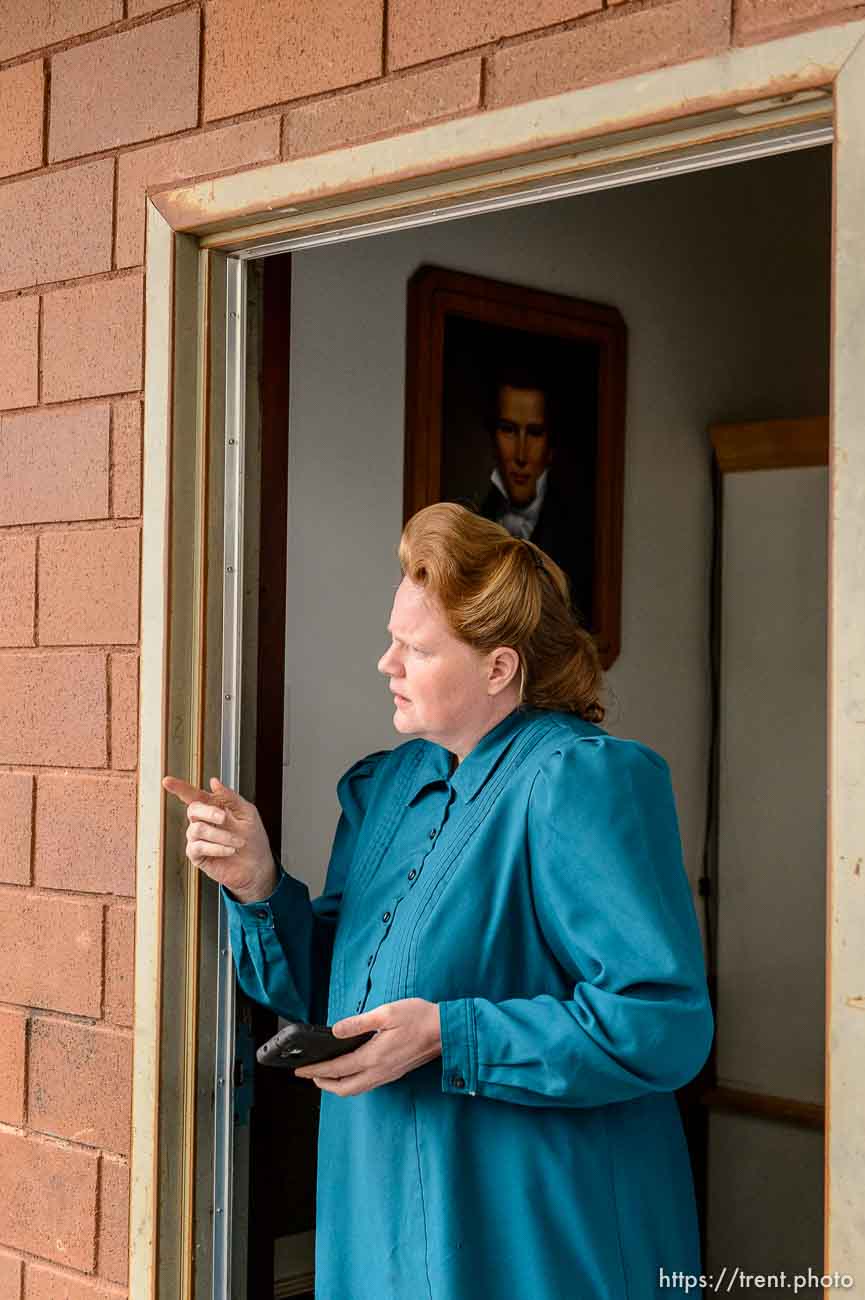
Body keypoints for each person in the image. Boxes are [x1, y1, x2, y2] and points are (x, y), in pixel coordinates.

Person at [164, 502, 714, 1300]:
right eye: (393, 639)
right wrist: (257, 881)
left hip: (532, 1236)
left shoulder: (581, 780)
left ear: (498, 667)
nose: (385, 663)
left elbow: (659, 1025)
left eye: (415, 648)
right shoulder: (390, 787)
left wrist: (449, 1036)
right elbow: (337, 991)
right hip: (377, 1219)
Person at [476, 370, 595, 624]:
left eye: (535, 433)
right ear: (492, 438)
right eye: (508, 430)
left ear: (551, 445)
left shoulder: (581, 534)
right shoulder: (473, 525)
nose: (521, 454)